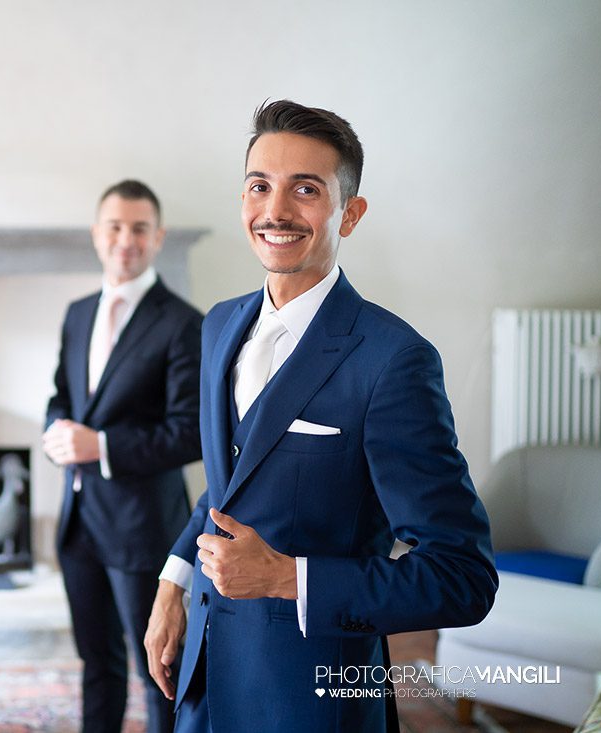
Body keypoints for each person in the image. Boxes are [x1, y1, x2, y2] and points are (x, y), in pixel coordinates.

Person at [143, 100, 498, 732]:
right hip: (202, 683)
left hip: (312, 702)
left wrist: (288, 578)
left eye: (305, 189)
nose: (276, 210)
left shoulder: (393, 361)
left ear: (350, 214)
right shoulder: (219, 325)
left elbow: (462, 577)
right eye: (260, 186)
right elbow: (231, 486)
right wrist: (174, 580)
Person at [43, 180, 202, 733]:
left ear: (158, 237)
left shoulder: (184, 322)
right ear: (97, 234)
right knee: (98, 666)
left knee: (160, 671)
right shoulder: (77, 313)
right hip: (78, 524)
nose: (125, 240)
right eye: (115, 227)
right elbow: (61, 397)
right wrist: (55, 432)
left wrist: (103, 446)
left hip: (144, 528)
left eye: (139, 228)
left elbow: (190, 433)